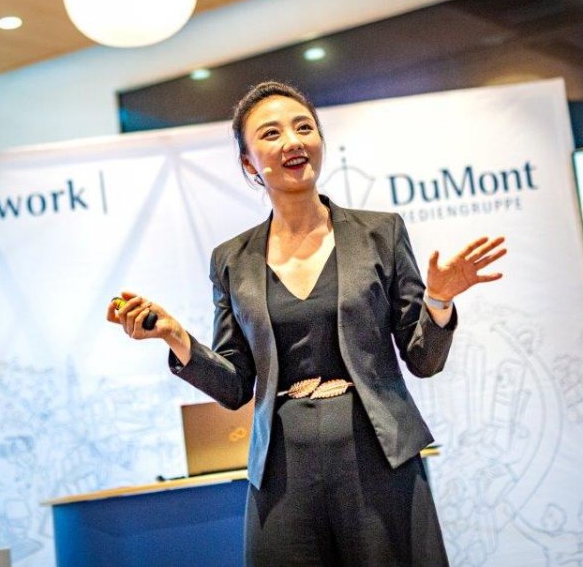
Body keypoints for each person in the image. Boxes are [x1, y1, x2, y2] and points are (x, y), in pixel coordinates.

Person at [107, 81, 507, 566]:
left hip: (378, 453)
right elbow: (235, 386)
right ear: (248, 163)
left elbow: (423, 360)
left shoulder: (380, 232)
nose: (293, 141)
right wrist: (175, 336)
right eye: (271, 133)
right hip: (282, 467)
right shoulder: (231, 259)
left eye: (303, 128)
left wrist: (439, 299)